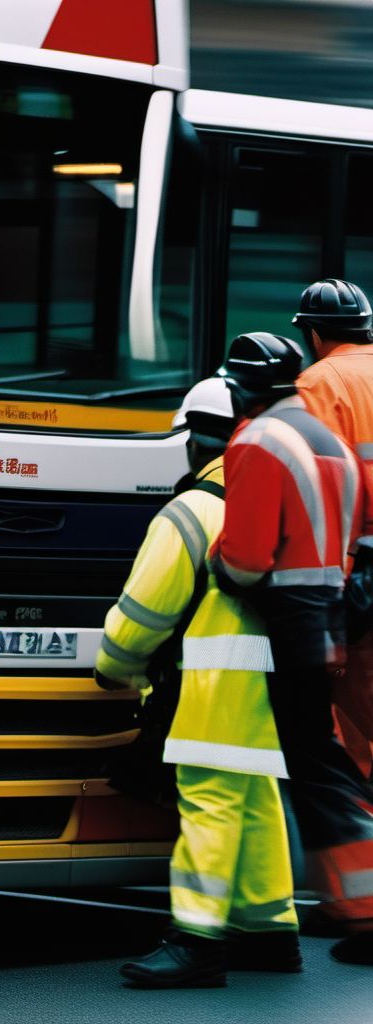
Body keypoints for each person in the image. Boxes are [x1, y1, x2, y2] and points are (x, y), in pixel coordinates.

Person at [96, 371, 298, 989]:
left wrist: (114, 668)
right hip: (273, 690)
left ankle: (196, 942)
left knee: (209, 804)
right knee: (255, 800)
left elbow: (142, 614)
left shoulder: (190, 511)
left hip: (210, 691)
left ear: (192, 442)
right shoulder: (263, 504)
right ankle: (269, 931)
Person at [212, 329, 373, 966]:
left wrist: (220, 569)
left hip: (286, 621)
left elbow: (247, 560)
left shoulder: (256, 441)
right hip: (333, 612)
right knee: (326, 764)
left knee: (313, 772)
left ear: (239, 387)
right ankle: (352, 905)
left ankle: (362, 910)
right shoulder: (325, 439)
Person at [292, 279, 373, 779]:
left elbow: (317, 496)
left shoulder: (318, 383)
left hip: (358, 577)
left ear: (315, 335)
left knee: (355, 727)